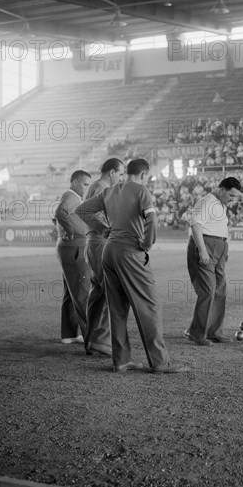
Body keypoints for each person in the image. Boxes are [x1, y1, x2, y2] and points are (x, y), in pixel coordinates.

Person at [75, 159, 188, 374]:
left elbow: (81, 211)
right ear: (144, 174)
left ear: (127, 172)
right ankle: (160, 362)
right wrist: (146, 243)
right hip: (130, 251)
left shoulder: (109, 192)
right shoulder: (142, 190)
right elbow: (152, 221)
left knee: (117, 308)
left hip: (109, 251)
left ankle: (122, 361)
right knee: (149, 305)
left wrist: (105, 230)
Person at [186, 177, 243, 346]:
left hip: (218, 247)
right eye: (231, 195)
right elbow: (195, 225)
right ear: (221, 190)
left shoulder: (220, 204)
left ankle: (214, 332)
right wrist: (203, 251)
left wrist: (223, 250)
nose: (232, 199)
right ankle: (197, 334)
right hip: (206, 246)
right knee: (208, 290)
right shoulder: (207, 202)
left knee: (220, 289)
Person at [83, 158, 125, 357]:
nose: (121, 177)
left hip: (94, 242)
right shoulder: (101, 188)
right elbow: (91, 213)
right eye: (120, 173)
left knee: (98, 292)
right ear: (112, 173)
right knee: (111, 289)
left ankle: (91, 338)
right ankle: (100, 340)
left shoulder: (94, 187)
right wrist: (107, 229)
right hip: (99, 241)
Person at [54, 170, 92, 345]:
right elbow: (59, 212)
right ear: (75, 182)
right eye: (85, 184)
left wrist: (64, 229)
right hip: (74, 246)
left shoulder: (70, 197)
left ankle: (69, 334)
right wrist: (69, 230)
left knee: (70, 292)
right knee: (82, 291)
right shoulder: (71, 197)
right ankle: (91, 337)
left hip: (67, 247)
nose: (87, 188)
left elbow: (58, 216)